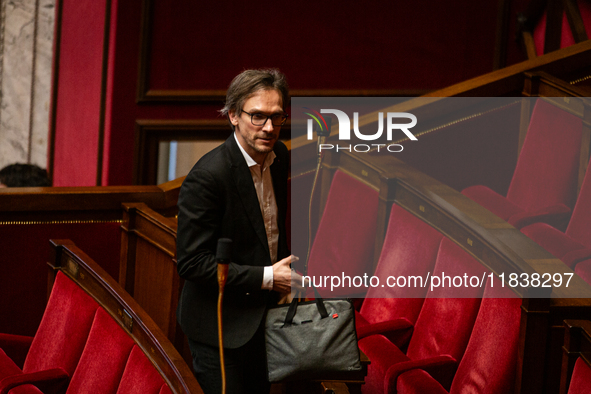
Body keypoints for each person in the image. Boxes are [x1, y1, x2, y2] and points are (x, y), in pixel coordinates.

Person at [176, 69, 294, 394]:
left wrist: (283, 275)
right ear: (233, 116)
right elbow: (191, 263)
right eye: (257, 116)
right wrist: (269, 277)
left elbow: (269, 229)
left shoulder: (279, 157)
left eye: (277, 117)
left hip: (263, 318)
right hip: (219, 329)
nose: (269, 128)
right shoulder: (208, 178)